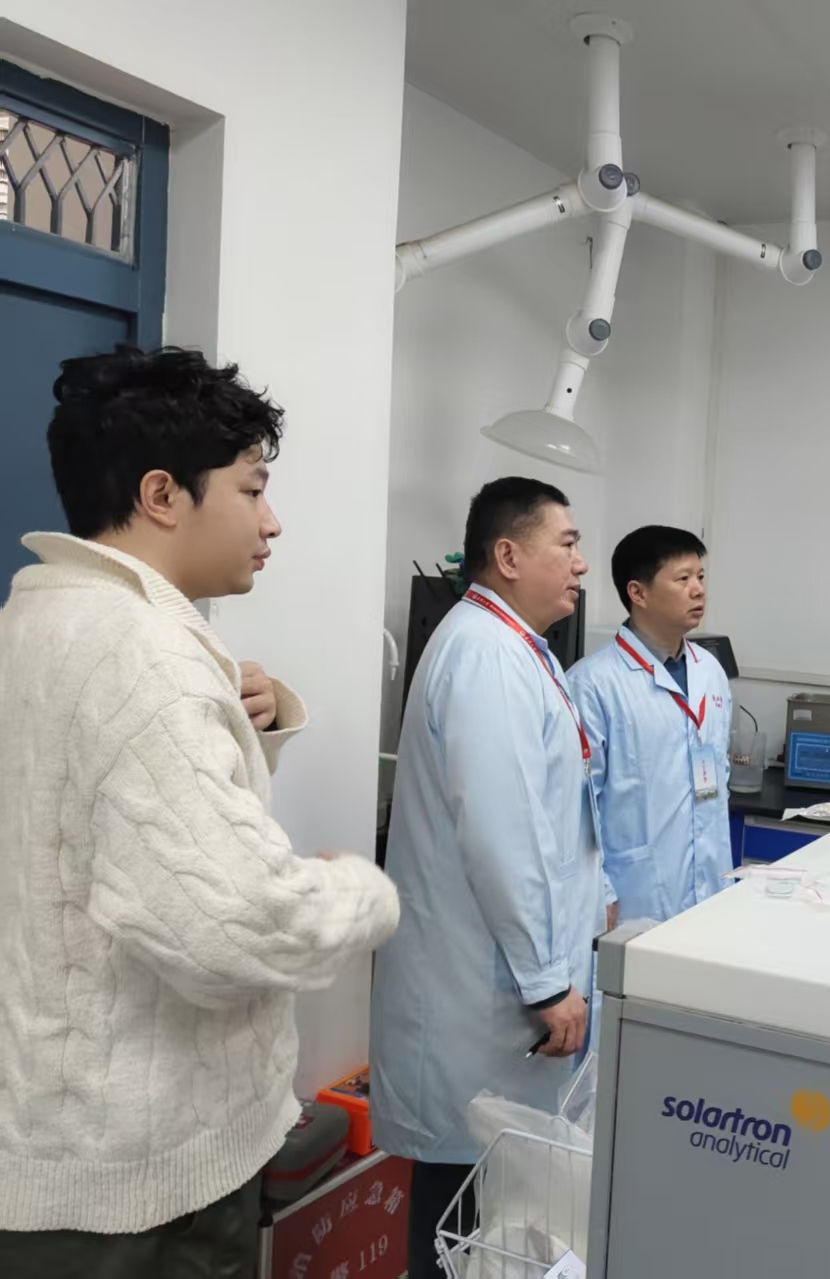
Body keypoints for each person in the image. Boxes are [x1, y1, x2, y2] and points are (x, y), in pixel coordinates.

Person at [0, 346, 401, 1276]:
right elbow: (234, 924)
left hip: (52, 1131)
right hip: (137, 1192)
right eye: (252, 489)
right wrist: (363, 893)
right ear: (161, 494)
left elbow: (90, 831)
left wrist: (242, 721)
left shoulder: (36, 622)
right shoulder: (143, 654)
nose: (272, 520)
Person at [370, 476, 605, 1279]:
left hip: (502, 991)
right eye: (566, 544)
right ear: (508, 555)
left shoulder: (518, 649)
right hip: (483, 997)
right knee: (464, 1220)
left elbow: (552, 816)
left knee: (495, 1208)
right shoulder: (486, 654)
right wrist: (546, 979)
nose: (580, 563)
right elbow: (505, 835)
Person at [567, 525, 733, 923]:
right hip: (634, 895)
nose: (698, 590)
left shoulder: (710, 671)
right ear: (638, 593)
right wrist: (600, 892)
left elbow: (718, 775)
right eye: (683, 578)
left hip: (712, 887)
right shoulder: (592, 684)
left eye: (700, 577)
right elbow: (575, 808)